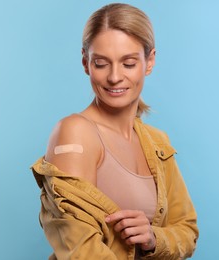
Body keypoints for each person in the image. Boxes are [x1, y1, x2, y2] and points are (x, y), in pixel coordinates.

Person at [31, 3, 198, 259]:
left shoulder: (157, 143)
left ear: (149, 61)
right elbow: (82, 249)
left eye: (129, 63)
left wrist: (154, 238)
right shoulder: (75, 133)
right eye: (101, 63)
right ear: (86, 62)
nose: (114, 77)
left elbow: (187, 230)